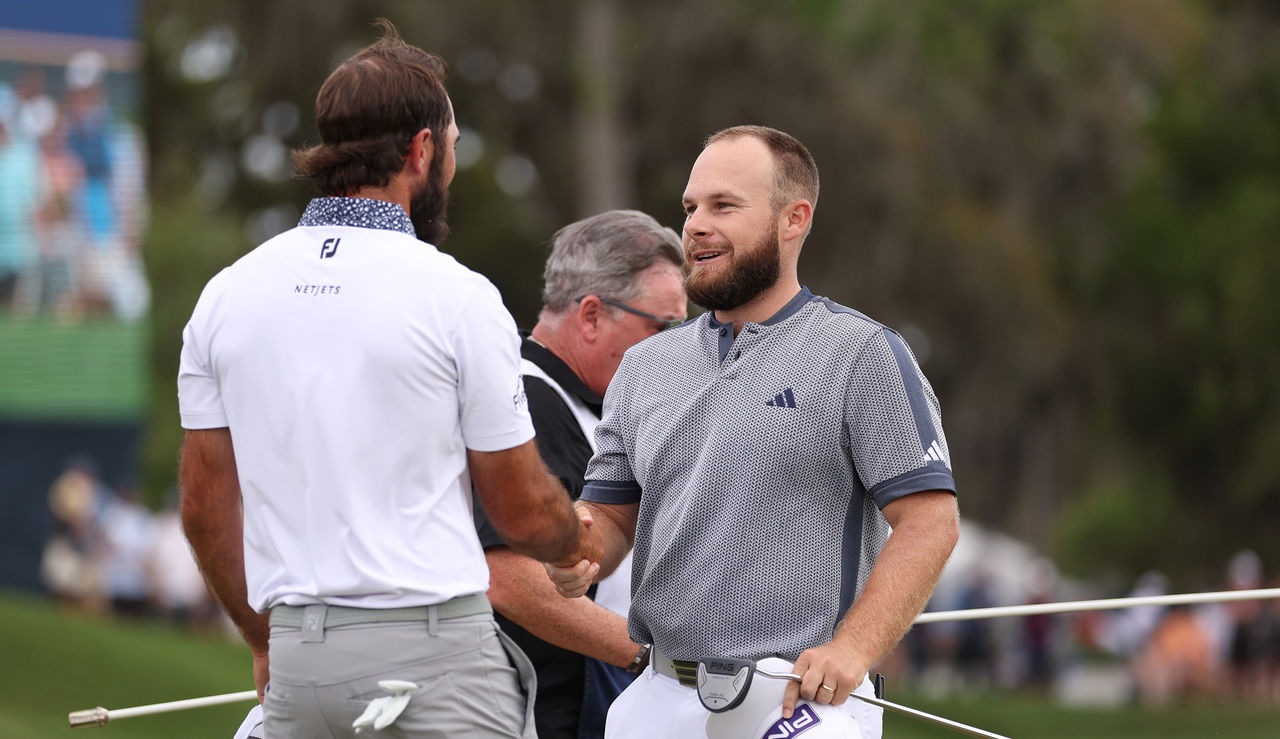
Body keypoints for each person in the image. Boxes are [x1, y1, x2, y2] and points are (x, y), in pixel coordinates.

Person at [178, 23, 598, 739]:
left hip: (299, 660)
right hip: (431, 658)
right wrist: (572, 539)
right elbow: (521, 508)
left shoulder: (225, 294)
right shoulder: (456, 294)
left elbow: (204, 510)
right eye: (454, 148)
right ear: (421, 150)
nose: (452, 166)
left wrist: (260, 638)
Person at [547, 125, 961, 739]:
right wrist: (575, 553)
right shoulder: (645, 364)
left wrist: (853, 650)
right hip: (656, 698)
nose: (695, 226)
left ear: (794, 219)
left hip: (797, 706)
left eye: (724, 206)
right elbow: (609, 523)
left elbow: (930, 522)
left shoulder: (862, 354)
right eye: (690, 207)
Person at [473, 210, 687, 739]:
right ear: (591, 315)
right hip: (541, 714)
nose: (682, 350)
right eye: (663, 328)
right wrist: (665, 666)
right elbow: (508, 580)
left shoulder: (583, 402)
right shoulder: (524, 403)